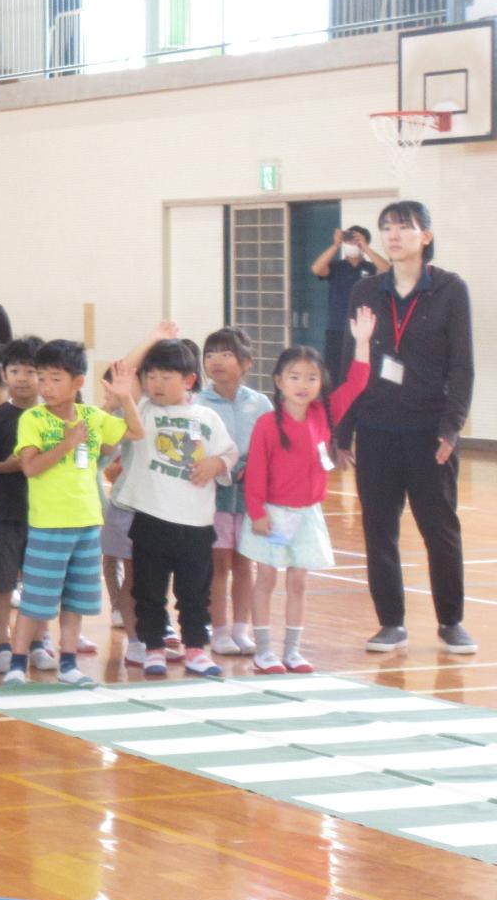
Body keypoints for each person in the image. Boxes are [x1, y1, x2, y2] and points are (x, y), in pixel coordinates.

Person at [348, 200, 476, 654]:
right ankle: (391, 622)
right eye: (386, 227)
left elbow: (462, 365)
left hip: (428, 431)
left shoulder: (449, 289)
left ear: (426, 235)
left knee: (438, 527)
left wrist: (452, 425)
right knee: (379, 527)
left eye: (404, 226)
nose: (393, 235)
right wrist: (345, 430)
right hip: (377, 428)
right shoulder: (366, 292)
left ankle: (451, 621)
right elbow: (355, 365)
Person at [242, 311, 376, 674]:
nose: (303, 383)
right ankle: (264, 650)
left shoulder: (325, 413)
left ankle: (293, 650)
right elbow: (255, 473)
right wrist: (257, 513)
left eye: (312, 377)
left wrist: (362, 341)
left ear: (321, 382)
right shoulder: (268, 424)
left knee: (299, 581)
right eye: (295, 376)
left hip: (307, 514)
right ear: (279, 381)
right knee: (267, 578)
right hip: (274, 512)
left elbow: (358, 380)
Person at [104, 325, 238, 681]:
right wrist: (151, 338)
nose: (157, 383)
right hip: (151, 520)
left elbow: (229, 453)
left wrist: (217, 463)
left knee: (194, 592)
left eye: (167, 376)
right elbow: (122, 378)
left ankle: (196, 648)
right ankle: (153, 649)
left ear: (190, 380)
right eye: (151, 375)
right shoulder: (143, 411)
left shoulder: (208, 418)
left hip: (196, 524)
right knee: (149, 590)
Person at [4, 340, 139, 688]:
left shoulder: (92, 417)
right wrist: (66, 444)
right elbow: (30, 468)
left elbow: (136, 433)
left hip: (87, 523)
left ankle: (68, 664)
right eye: (41, 379)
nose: (45, 387)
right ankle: (17, 664)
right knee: (36, 599)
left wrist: (125, 398)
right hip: (49, 524)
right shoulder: (32, 418)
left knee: (76, 600)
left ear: (78, 383)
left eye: (55, 379)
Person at [198, 328, 273, 656]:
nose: (216, 361)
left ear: (246, 363)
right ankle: (219, 630)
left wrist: (253, 468)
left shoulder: (260, 403)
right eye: (211, 354)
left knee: (246, 564)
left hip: (250, 497)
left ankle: (242, 629)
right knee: (219, 565)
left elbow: (270, 446)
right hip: (211, 498)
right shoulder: (198, 403)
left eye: (226, 354)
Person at [0, 337, 39, 675]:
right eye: (15, 370)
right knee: (1, 583)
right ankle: (1, 641)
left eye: (30, 371)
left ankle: (37, 642)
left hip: (45, 514)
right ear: (4, 374)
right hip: (4, 512)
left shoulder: (52, 415)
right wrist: (11, 466)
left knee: (38, 583)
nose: (22, 378)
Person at [312, 225, 386, 378]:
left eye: (356, 241)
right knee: (334, 374)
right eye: (349, 241)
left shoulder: (371, 268)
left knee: (365, 373)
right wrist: (336, 245)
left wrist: (365, 247)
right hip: (337, 330)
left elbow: (388, 271)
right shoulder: (337, 267)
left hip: (365, 331)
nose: (352, 245)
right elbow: (316, 269)